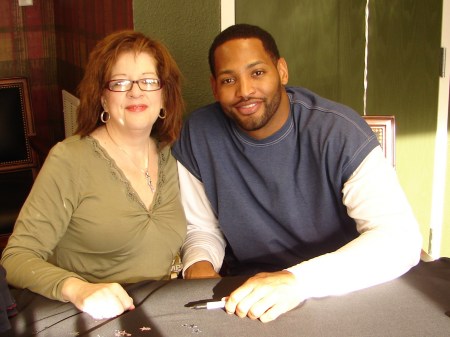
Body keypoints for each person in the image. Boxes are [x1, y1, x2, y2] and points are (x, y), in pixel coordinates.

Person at [172, 24, 422, 323]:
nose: (245, 91)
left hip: (336, 286)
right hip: (246, 293)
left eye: (258, 73)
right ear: (215, 87)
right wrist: (198, 263)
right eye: (229, 79)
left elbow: (400, 239)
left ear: (282, 71)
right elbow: (201, 228)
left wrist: (297, 281)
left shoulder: (339, 131)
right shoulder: (198, 134)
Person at [1, 30, 186, 320]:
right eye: (120, 82)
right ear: (102, 97)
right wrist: (78, 290)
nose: (136, 91)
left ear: (164, 96)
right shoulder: (70, 159)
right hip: (90, 315)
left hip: (163, 311)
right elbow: (15, 258)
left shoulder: (173, 154)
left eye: (149, 81)